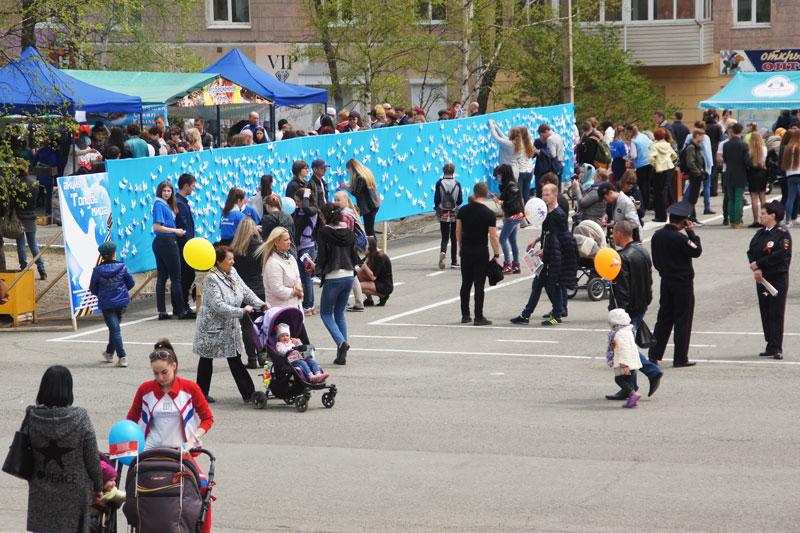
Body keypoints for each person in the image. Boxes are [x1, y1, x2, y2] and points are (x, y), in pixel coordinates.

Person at [126, 339, 215, 531]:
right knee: (135, 490)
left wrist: (192, 440)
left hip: (182, 453)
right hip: (150, 453)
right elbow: (130, 420)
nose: (160, 377)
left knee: (204, 488)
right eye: (155, 373)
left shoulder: (190, 388)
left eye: (164, 372)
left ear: (174, 366)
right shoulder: (145, 390)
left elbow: (208, 418)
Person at [24, 365, 103, 533]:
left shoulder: (32, 416)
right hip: (74, 494)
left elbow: (24, 451)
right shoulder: (80, 418)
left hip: (41, 492)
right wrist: (98, 486)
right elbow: (92, 459)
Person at [194, 246, 268, 403]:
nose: (233, 261)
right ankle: (201, 394)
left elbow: (245, 291)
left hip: (229, 326)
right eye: (229, 259)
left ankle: (249, 394)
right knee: (207, 359)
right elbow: (218, 305)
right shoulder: (211, 279)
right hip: (212, 327)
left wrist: (260, 304)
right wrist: (241, 311)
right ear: (219, 261)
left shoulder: (232, 272)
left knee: (234, 358)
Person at [607, 221, 662, 399]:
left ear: (619, 233)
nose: (612, 236)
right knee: (627, 344)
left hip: (627, 310)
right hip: (641, 305)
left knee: (625, 347)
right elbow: (649, 281)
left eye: (613, 233)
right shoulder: (643, 251)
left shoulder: (622, 257)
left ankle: (651, 372)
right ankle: (631, 387)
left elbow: (622, 289)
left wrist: (618, 313)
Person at [648, 201, 702, 368]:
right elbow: (697, 251)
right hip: (682, 284)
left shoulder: (657, 236)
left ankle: (654, 354)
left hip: (666, 281)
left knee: (664, 319)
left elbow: (656, 261)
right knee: (682, 320)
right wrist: (691, 233)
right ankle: (680, 357)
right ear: (684, 221)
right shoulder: (680, 238)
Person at [510, 184, 570, 326]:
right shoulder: (546, 212)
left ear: (555, 195)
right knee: (537, 284)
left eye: (547, 195)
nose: (544, 197)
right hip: (546, 254)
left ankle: (556, 314)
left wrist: (545, 250)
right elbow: (547, 232)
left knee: (552, 285)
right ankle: (526, 315)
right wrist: (537, 240)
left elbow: (561, 237)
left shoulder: (559, 215)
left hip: (554, 255)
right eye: (543, 194)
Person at [315, 203, 360, 364]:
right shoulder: (349, 232)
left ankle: (341, 342)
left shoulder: (324, 232)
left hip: (333, 275)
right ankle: (341, 355)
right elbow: (354, 255)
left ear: (325, 216)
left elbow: (322, 256)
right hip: (349, 274)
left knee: (326, 313)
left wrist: (316, 269)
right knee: (340, 313)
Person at [747, 201, 791, 360]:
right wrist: (756, 268)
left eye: (764, 213)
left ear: (773, 215)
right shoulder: (760, 233)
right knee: (765, 311)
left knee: (776, 312)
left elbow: (780, 255)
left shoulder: (782, 234)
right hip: (762, 278)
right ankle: (770, 344)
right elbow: (751, 251)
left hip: (776, 278)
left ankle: (777, 346)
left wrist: (760, 264)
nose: (761, 216)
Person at [456, 182, 501, 326]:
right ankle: (478, 316)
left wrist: (460, 246)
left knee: (466, 283)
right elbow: (493, 236)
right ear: (486, 194)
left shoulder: (463, 210)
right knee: (479, 285)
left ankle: (465, 315)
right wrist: (496, 254)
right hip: (481, 250)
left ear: (474, 193)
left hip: (466, 249)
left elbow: (458, 231)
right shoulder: (489, 213)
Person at [89, 241, 135, 368]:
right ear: (114, 254)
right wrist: (123, 291)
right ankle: (109, 353)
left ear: (102, 256)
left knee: (114, 329)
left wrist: (102, 294)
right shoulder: (122, 267)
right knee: (114, 328)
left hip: (106, 303)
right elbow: (131, 282)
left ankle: (122, 356)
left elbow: (93, 288)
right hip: (121, 302)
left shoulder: (97, 271)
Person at [230, 217, 265, 368]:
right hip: (259, 289)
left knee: (246, 326)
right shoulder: (261, 248)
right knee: (261, 325)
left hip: (242, 290)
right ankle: (262, 355)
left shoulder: (235, 250)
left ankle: (252, 358)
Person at [151, 180, 189, 320]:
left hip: (161, 242)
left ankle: (162, 311)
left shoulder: (164, 204)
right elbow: (157, 227)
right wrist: (176, 231)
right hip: (167, 241)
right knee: (176, 278)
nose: (166, 193)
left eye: (169, 191)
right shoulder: (159, 205)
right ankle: (181, 311)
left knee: (162, 276)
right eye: (164, 190)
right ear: (159, 191)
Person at [605, 309, 643, 408]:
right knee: (628, 379)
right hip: (631, 359)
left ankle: (633, 394)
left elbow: (623, 349)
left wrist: (623, 363)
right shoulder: (628, 330)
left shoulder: (618, 333)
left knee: (619, 379)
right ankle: (632, 398)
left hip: (623, 361)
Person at [491, 164, 525, 274]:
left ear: (504, 174)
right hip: (514, 215)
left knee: (502, 239)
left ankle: (508, 264)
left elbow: (510, 203)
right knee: (512, 240)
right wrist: (498, 198)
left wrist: (498, 201)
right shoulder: (509, 185)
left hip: (513, 216)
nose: (498, 178)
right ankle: (516, 265)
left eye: (499, 175)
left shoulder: (511, 186)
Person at [14, 170, 46, 280]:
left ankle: (24, 268)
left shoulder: (16, 185)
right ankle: (42, 269)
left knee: (21, 243)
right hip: (31, 215)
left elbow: (13, 202)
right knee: (33, 244)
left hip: (19, 217)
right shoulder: (34, 183)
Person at [293, 188, 319, 314]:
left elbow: (307, 209)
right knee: (303, 277)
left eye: (298, 201)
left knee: (307, 276)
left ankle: (309, 305)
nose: (296, 203)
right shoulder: (298, 211)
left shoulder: (312, 211)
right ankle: (307, 304)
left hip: (307, 249)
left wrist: (306, 195)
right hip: (299, 248)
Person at [175, 173, 197, 315]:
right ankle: (182, 306)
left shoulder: (182, 201)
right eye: (192, 186)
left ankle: (180, 306)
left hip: (185, 244)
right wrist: (190, 246)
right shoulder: (179, 203)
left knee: (184, 276)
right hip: (183, 246)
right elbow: (182, 226)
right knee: (186, 275)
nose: (193, 189)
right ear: (186, 186)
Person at [434, 163, 463, 270]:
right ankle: (454, 262)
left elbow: (436, 199)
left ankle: (443, 252)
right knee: (454, 237)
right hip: (454, 212)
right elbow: (460, 200)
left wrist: (438, 207)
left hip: (443, 212)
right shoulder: (457, 184)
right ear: (453, 172)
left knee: (445, 237)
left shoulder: (439, 183)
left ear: (443, 171)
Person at [723, 123, 750, 229]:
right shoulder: (744, 145)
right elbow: (746, 161)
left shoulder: (726, 144)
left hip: (729, 173)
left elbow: (725, 159)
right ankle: (738, 221)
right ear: (741, 131)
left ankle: (732, 221)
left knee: (731, 198)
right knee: (738, 197)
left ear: (732, 131)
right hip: (740, 173)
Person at [344, 158, 381, 236]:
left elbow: (356, 193)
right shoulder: (366, 173)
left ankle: (372, 243)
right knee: (370, 228)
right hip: (374, 204)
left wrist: (346, 187)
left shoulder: (360, 177)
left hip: (368, 207)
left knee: (369, 230)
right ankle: (373, 243)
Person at [647, 128, 678, 222]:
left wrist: (655, 164)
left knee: (659, 193)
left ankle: (661, 216)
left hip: (659, 170)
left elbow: (651, 158)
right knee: (668, 191)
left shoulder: (654, 145)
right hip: (669, 168)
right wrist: (669, 161)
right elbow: (674, 155)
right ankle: (675, 212)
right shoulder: (667, 144)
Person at [358, 236, 393, 306]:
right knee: (358, 276)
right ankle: (369, 300)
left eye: (364, 249)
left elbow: (373, 277)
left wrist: (364, 266)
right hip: (377, 281)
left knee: (358, 286)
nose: (362, 251)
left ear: (370, 248)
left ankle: (383, 296)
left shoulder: (380, 257)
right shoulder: (370, 254)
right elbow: (359, 266)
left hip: (384, 285)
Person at [628, 125, 653, 213]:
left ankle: (643, 204)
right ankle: (648, 203)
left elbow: (634, 155)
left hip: (640, 165)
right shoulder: (644, 136)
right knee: (647, 184)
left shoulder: (633, 140)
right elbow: (651, 144)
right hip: (649, 162)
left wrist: (629, 156)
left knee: (642, 185)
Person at [684, 129, 707, 223]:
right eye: (702, 136)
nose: (703, 138)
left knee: (694, 197)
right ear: (697, 135)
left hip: (696, 174)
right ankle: (691, 218)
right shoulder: (691, 147)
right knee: (692, 197)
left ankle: (692, 217)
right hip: (694, 175)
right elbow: (690, 162)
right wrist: (698, 172)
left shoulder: (696, 147)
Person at [746, 131, 768, 227]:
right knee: (762, 197)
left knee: (754, 198)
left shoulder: (749, 150)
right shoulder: (764, 148)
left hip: (752, 173)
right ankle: (764, 219)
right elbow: (764, 161)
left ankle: (755, 220)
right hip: (762, 172)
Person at [781, 129, 800, 226]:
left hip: (790, 174)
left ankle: (788, 221)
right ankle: (797, 216)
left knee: (790, 198)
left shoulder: (788, 148)